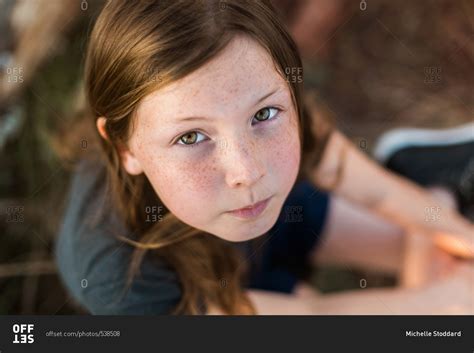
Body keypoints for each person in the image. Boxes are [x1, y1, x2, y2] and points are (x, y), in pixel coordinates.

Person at [55, 0, 474, 315]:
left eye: (264, 114)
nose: (248, 171)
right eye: (190, 137)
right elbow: (313, 317)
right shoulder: (120, 277)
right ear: (125, 147)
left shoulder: (266, 106)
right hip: (216, 292)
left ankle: (425, 174)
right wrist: (437, 302)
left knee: (442, 249)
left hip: (284, 214)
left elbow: (385, 198)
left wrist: (457, 236)